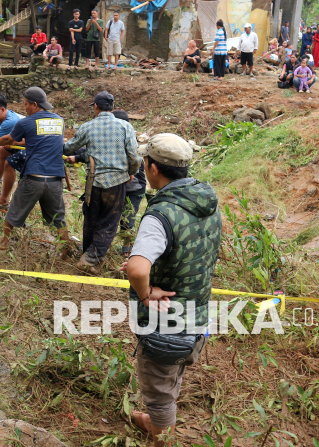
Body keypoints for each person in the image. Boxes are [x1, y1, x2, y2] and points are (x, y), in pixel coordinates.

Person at [121, 134, 221, 447]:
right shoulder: (206, 201)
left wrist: (145, 292)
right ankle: (156, 422)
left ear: (152, 168)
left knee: (158, 388)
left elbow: (138, 268)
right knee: (174, 368)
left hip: (167, 322)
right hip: (199, 313)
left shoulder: (160, 215)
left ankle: (160, 434)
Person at [64, 91, 139, 273]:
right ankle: (90, 259)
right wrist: (131, 172)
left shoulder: (88, 127)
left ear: (95, 107)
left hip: (94, 183)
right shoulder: (124, 126)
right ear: (113, 107)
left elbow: (69, 147)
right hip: (116, 182)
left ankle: (88, 254)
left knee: (91, 218)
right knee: (109, 222)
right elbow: (134, 156)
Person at [0, 87, 70, 253]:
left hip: (33, 177)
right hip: (55, 180)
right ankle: (65, 252)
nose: (24, 107)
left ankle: (4, 242)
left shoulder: (25, 122)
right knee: (59, 219)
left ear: (35, 104)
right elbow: (42, 140)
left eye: (26, 104)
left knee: (14, 211)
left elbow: (7, 139)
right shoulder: (59, 121)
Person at [66, 110, 146, 249]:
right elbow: (89, 152)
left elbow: (133, 161)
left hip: (133, 188)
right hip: (115, 186)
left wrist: (78, 157)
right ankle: (96, 248)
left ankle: (125, 248)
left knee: (127, 219)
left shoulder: (128, 145)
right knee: (105, 218)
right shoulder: (117, 139)